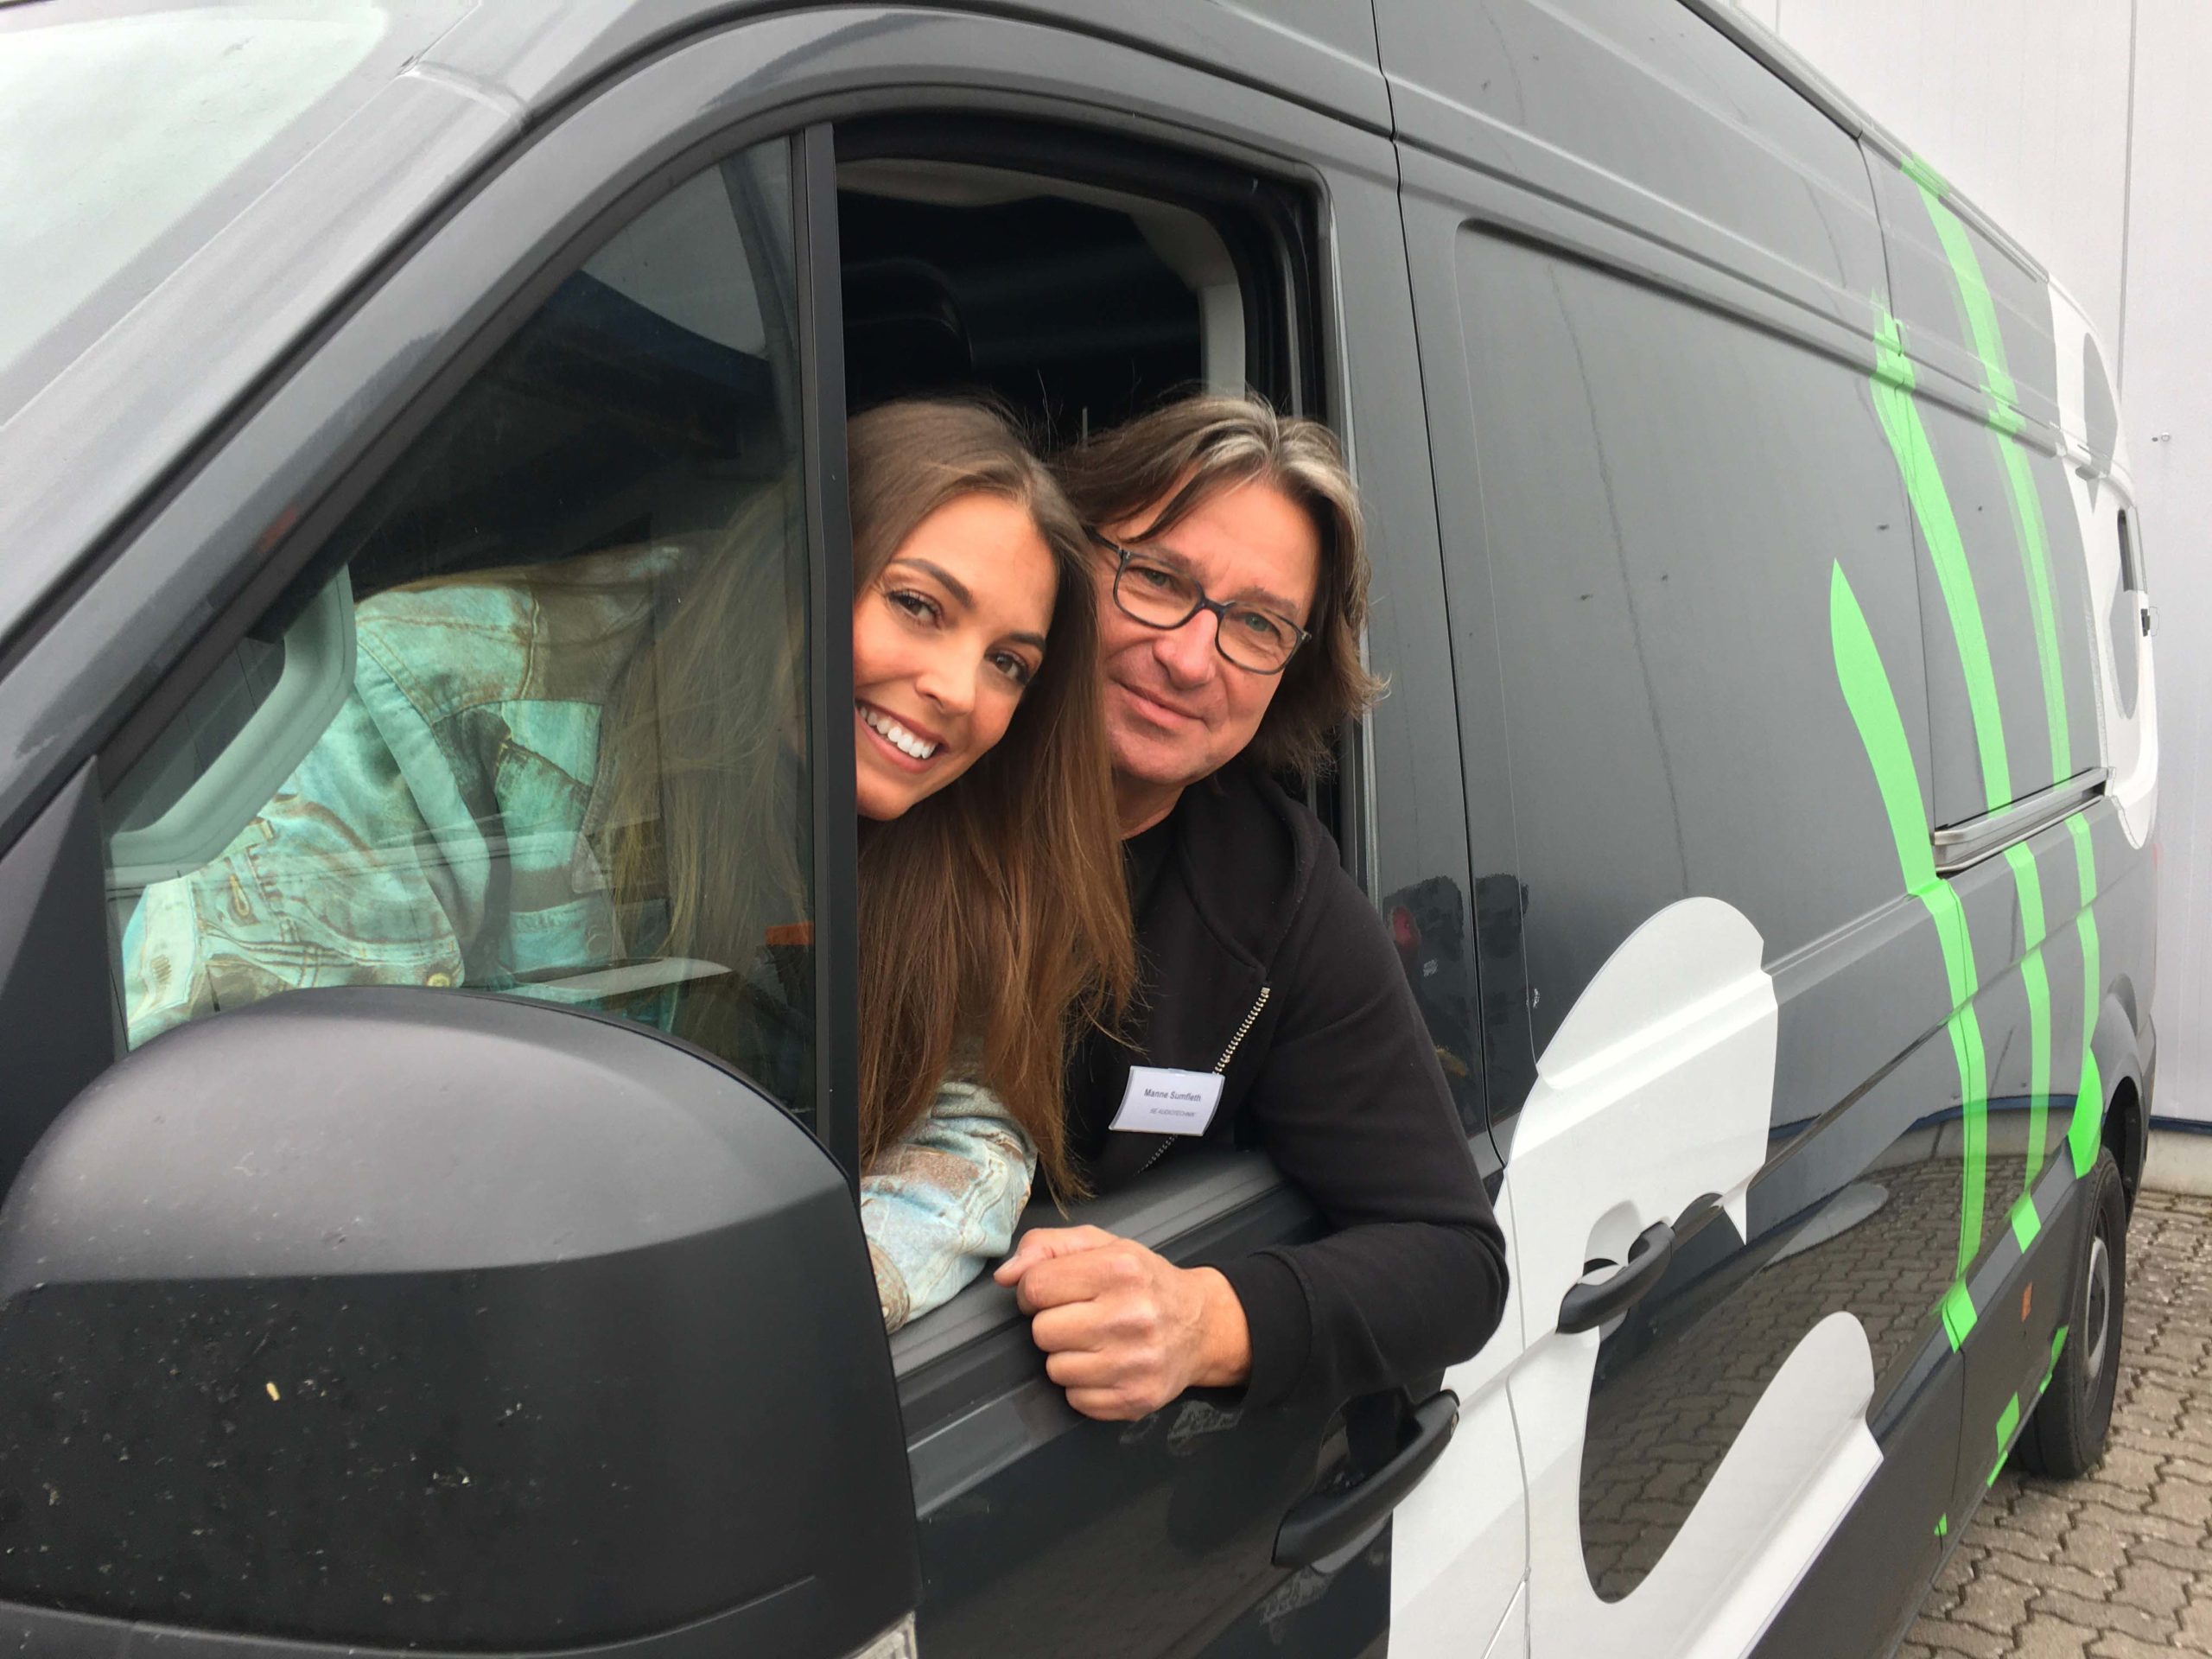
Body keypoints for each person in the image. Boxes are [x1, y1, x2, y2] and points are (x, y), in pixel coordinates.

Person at [122, 399, 1132, 1331]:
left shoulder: (947, 844)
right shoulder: (444, 693)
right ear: (794, 566)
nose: (958, 689)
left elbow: (965, 1133)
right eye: (917, 604)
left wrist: (763, 1320)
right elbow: (261, 1144)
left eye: (1009, 663)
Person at [990, 393, 1509, 1421]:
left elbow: (1455, 1261)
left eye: (1258, 625)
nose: (1190, 658)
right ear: (1060, 555)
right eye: (1157, 578)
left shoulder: (1276, 897)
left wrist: (1204, 1321)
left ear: (1293, 668)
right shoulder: (908, 777)